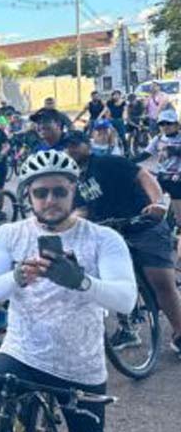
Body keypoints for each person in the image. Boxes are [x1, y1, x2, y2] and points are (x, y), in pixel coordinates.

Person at [0, 150, 136, 432]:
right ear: (28, 195)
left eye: (59, 191)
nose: (50, 200)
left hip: (79, 363)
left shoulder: (103, 239)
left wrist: (82, 282)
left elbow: (126, 300)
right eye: (41, 192)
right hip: (22, 352)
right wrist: (17, 276)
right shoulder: (9, 234)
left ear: (74, 191)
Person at [63, 130, 181, 355]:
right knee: (110, 278)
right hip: (111, 233)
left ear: (88, 144)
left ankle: (179, 332)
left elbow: (144, 176)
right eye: (67, 146)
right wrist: (66, 224)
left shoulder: (107, 162)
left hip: (143, 223)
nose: (71, 149)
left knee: (160, 279)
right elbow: (82, 209)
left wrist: (158, 203)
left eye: (75, 144)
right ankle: (127, 328)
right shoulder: (73, 178)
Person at [136, 109, 181, 227]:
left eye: (169, 123)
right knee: (148, 201)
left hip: (177, 178)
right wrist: (128, 162)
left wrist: (174, 150)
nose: (165, 127)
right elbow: (146, 154)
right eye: (162, 124)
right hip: (162, 176)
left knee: (179, 215)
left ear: (177, 125)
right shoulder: (159, 139)